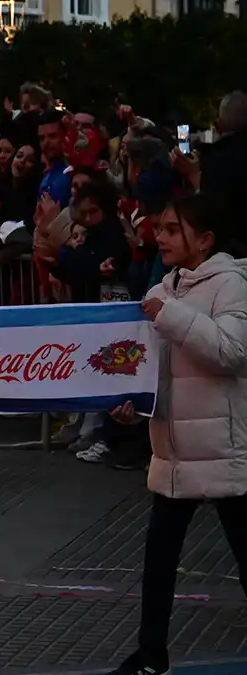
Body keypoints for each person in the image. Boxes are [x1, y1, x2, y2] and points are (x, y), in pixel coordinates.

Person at [106, 193, 247, 675]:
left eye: (171, 229)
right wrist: (137, 409)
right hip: (173, 452)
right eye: (159, 228)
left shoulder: (231, 283)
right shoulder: (166, 286)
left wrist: (167, 313)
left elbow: (231, 352)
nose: (159, 236)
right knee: (158, 565)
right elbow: (161, 372)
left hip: (224, 450)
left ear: (203, 239)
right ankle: (150, 655)